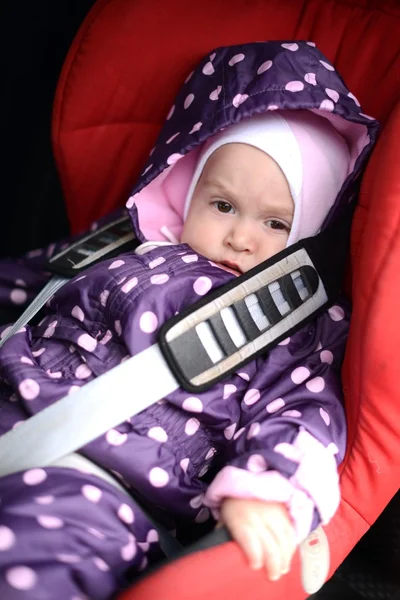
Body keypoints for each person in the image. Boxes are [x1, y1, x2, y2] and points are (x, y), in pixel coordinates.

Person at [0, 40, 377, 599]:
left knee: (31, 558)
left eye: (276, 223)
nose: (240, 236)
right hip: (12, 395)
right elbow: (30, 282)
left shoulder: (290, 322)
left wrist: (264, 487)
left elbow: (302, 415)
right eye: (222, 205)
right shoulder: (126, 245)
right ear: (188, 191)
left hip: (106, 479)